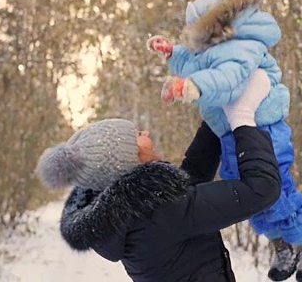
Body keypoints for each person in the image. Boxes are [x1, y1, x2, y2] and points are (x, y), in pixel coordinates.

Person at [146, 0, 302, 281]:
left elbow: (228, 78)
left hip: (265, 131)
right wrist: (172, 54)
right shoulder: (213, 49)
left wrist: (192, 87)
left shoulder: (242, 48)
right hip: (233, 134)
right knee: (244, 191)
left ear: (214, 25)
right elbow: (197, 63)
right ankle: (283, 242)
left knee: (276, 187)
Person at [36, 70, 281, 282]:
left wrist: (215, 120)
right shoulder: (160, 210)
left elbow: (189, 181)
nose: (147, 133)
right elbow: (261, 189)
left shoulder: (128, 211)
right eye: (138, 134)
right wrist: (243, 118)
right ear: (132, 159)